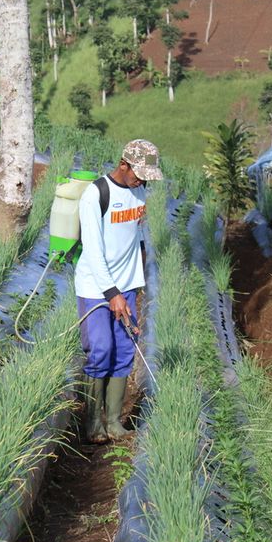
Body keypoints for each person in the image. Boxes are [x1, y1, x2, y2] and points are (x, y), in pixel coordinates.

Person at [75, 139, 163, 442]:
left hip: (126, 286)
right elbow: (95, 251)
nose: (142, 179)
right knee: (101, 351)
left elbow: (134, 239)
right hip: (95, 287)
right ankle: (92, 425)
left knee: (125, 351)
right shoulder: (96, 195)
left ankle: (113, 422)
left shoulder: (139, 191)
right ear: (123, 164)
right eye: (139, 173)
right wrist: (111, 293)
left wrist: (133, 288)